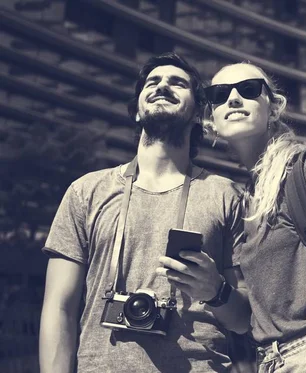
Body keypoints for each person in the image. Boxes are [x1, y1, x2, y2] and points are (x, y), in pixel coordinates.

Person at [39, 52, 251, 373]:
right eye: (152, 82)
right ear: (137, 111)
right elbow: (59, 308)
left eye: (178, 83)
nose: (162, 85)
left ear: (198, 114)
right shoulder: (86, 190)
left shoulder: (227, 195)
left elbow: (246, 319)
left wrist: (216, 291)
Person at [202, 62, 306, 373]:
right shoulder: (247, 197)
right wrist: (211, 289)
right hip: (270, 360)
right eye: (220, 94)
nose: (234, 99)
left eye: (249, 89)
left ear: (274, 107)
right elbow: (250, 320)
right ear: (210, 118)